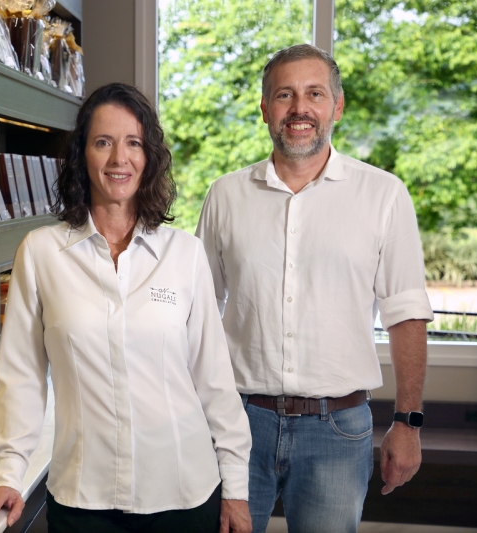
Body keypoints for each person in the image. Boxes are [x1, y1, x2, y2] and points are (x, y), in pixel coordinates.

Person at [0, 83, 252, 533]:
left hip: (184, 493)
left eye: (133, 143)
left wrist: (236, 488)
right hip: (84, 498)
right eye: (103, 142)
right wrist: (8, 474)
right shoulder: (41, 252)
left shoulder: (185, 253)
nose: (120, 158)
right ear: (82, 154)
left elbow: (214, 380)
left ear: (150, 157)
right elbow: (20, 374)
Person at [195, 44, 434, 533]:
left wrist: (408, 423)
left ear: (337, 107)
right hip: (237, 424)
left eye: (314, 93)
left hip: (338, 431)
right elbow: (195, 314)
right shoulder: (225, 195)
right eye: (284, 94)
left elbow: (405, 311)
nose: (299, 108)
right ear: (265, 109)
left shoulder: (384, 195)